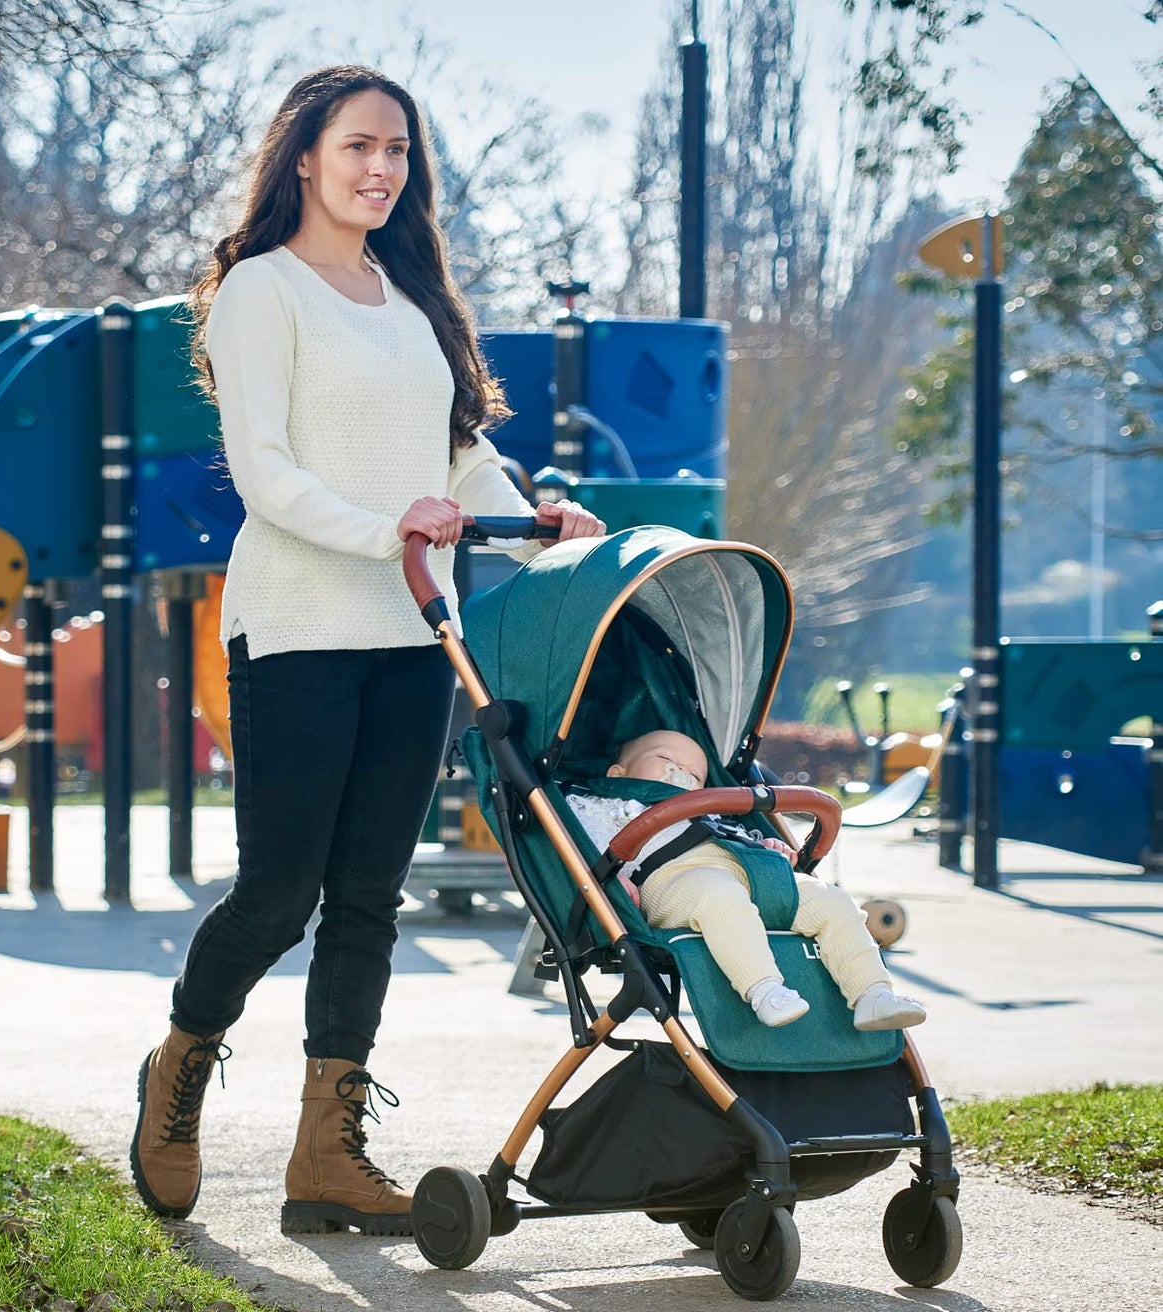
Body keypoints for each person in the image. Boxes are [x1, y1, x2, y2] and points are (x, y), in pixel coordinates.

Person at [129, 65, 604, 1235]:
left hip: (413, 632)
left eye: (397, 151)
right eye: (358, 146)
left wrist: (535, 519)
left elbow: (451, 459)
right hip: (295, 621)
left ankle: (326, 1153)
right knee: (281, 890)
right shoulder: (261, 291)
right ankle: (180, 1060)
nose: (380, 169)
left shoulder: (409, 299)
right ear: (304, 156)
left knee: (368, 902)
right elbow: (268, 469)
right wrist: (383, 524)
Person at [566, 730, 927, 1032]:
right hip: (672, 881)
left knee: (831, 900)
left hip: (750, 875)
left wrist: (766, 847)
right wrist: (606, 881)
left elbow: (734, 835)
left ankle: (872, 994)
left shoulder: (710, 809)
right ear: (617, 772)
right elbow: (577, 846)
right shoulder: (601, 804)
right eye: (666, 760)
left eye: (694, 774)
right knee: (720, 898)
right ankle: (765, 990)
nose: (681, 772)